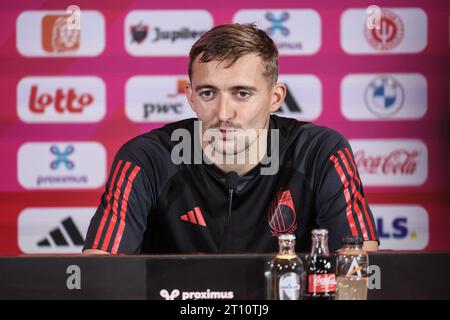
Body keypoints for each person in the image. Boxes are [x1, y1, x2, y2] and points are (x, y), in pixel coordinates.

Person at [83, 23, 379, 255]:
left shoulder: (320, 152)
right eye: (208, 93)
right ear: (190, 97)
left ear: (275, 98)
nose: (224, 113)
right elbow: (100, 276)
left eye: (242, 93)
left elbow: (359, 268)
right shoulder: (145, 159)